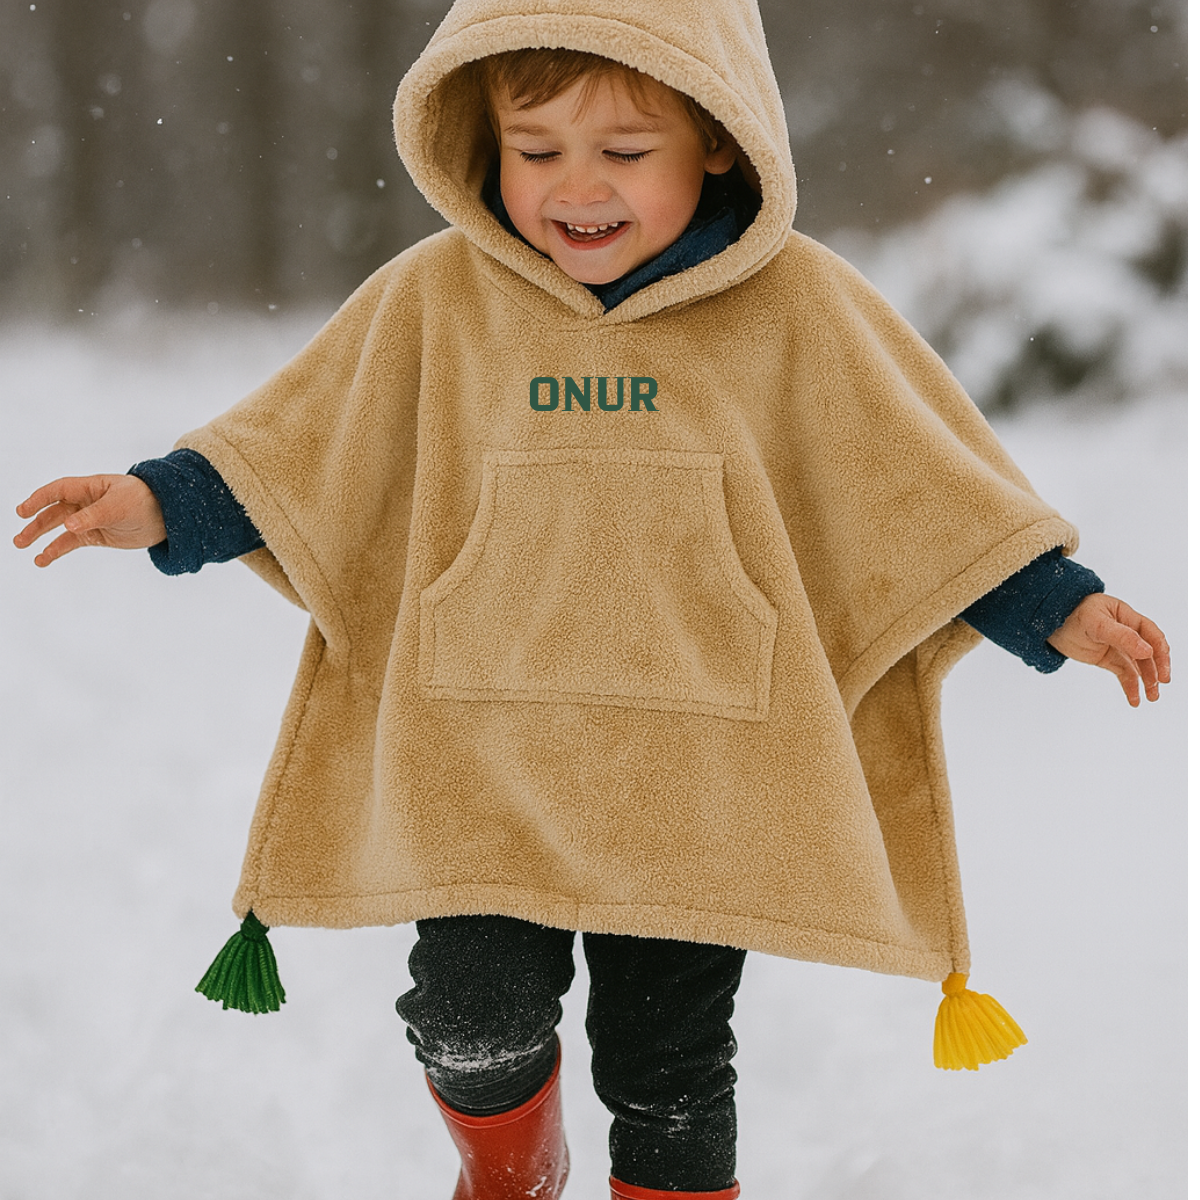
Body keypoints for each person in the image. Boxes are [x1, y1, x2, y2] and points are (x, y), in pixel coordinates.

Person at [12, 2, 1170, 1197]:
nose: (578, 187)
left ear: (717, 137)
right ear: (484, 137)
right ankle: (512, 1175)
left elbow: (913, 486)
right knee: (468, 1023)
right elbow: (302, 448)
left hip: (699, 769)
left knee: (668, 1068)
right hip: (482, 751)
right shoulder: (438, 300)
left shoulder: (799, 309)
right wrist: (156, 502)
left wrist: (1053, 601)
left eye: (623, 150)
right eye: (536, 149)